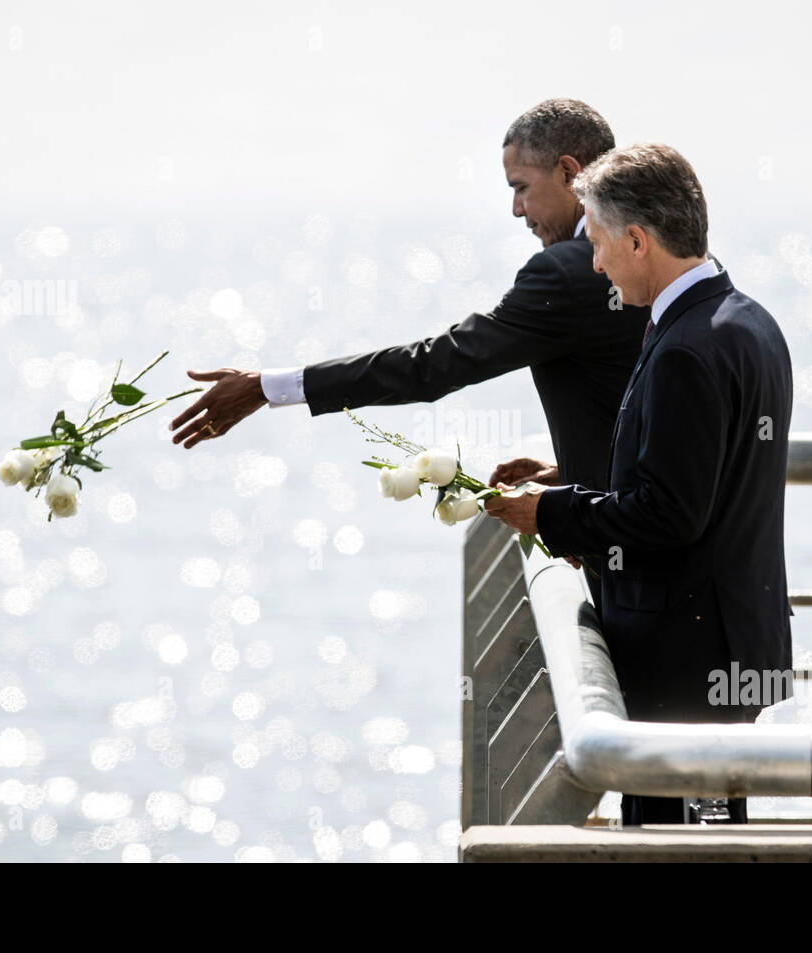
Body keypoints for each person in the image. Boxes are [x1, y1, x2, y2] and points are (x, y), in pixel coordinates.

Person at [169, 99, 649, 605]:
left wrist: (269, 388)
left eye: (521, 188)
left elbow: (433, 366)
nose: (516, 210)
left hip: (643, 575)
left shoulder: (567, 271)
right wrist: (575, 475)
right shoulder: (655, 251)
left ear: (570, 174)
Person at [485, 143, 795, 826]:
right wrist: (572, 479)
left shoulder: (685, 348)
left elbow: (669, 512)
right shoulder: (749, 322)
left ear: (636, 238)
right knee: (713, 835)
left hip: (683, 657)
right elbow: (704, 469)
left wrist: (552, 514)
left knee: (674, 839)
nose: (593, 263)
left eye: (596, 243)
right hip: (734, 642)